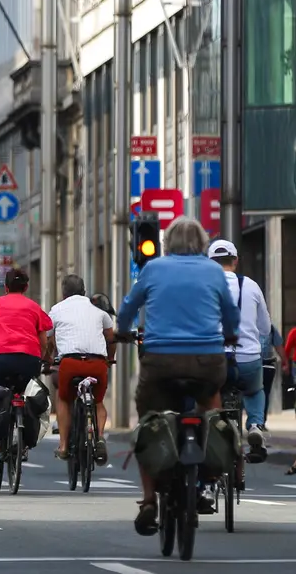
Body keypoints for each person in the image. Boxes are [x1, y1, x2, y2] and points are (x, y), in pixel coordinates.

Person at [116, 216, 238, 535]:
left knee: (148, 420)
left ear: (166, 243)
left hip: (161, 361)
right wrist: (231, 334)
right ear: (202, 244)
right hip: (207, 361)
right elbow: (230, 314)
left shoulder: (153, 268)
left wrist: (121, 331)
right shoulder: (214, 271)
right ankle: (205, 477)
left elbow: (129, 307)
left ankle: (148, 502)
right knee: (211, 406)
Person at [0, 268, 54, 479]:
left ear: (5, 287)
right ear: (26, 287)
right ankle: (22, 440)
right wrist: (45, 360)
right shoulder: (34, 307)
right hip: (28, 361)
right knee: (27, 397)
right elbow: (44, 342)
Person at [208, 238, 273, 460]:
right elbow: (265, 328)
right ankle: (255, 424)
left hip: (214, 360)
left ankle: (210, 429)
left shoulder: (203, 287)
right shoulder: (251, 285)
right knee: (255, 390)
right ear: (235, 261)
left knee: (207, 391)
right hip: (248, 359)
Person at [48, 275, 114, 463]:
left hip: (70, 364)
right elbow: (110, 338)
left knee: (64, 398)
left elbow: (47, 338)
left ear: (63, 293)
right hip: (97, 364)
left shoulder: (56, 310)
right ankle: (100, 437)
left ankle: (63, 445)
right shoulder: (99, 309)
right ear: (84, 291)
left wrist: (49, 358)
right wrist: (110, 359)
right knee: (99, 402)